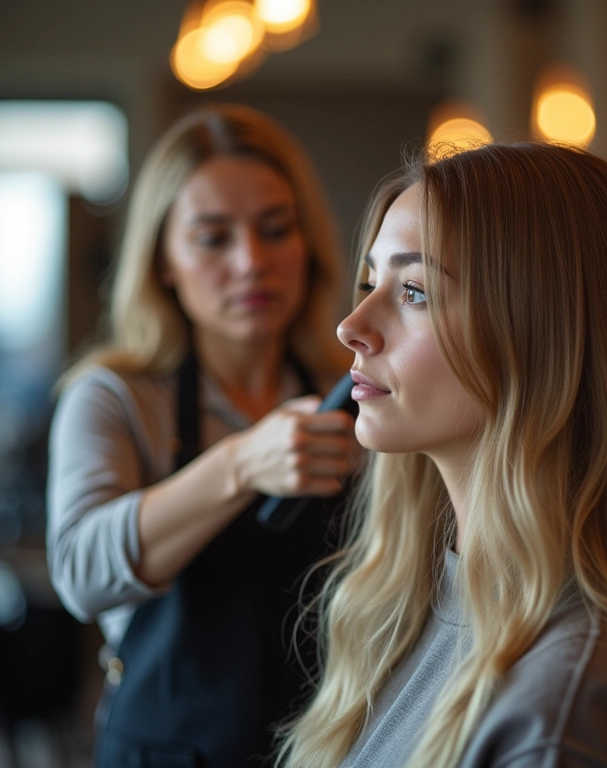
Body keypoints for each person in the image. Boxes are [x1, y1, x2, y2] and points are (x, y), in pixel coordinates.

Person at [277, 142, 607, 768]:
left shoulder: (563, 709)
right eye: (371, 281)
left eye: (415, 291)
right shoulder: (421, 603)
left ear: (542, 338)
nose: (352, 324)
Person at [46, 103, 358, 768]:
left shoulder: (351, 392)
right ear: (163, 261)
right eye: (214, 238)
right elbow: (80, 573)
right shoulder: (114, 396)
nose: (252, 262)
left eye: (277, 230)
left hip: (331, 747)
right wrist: (242, 463)